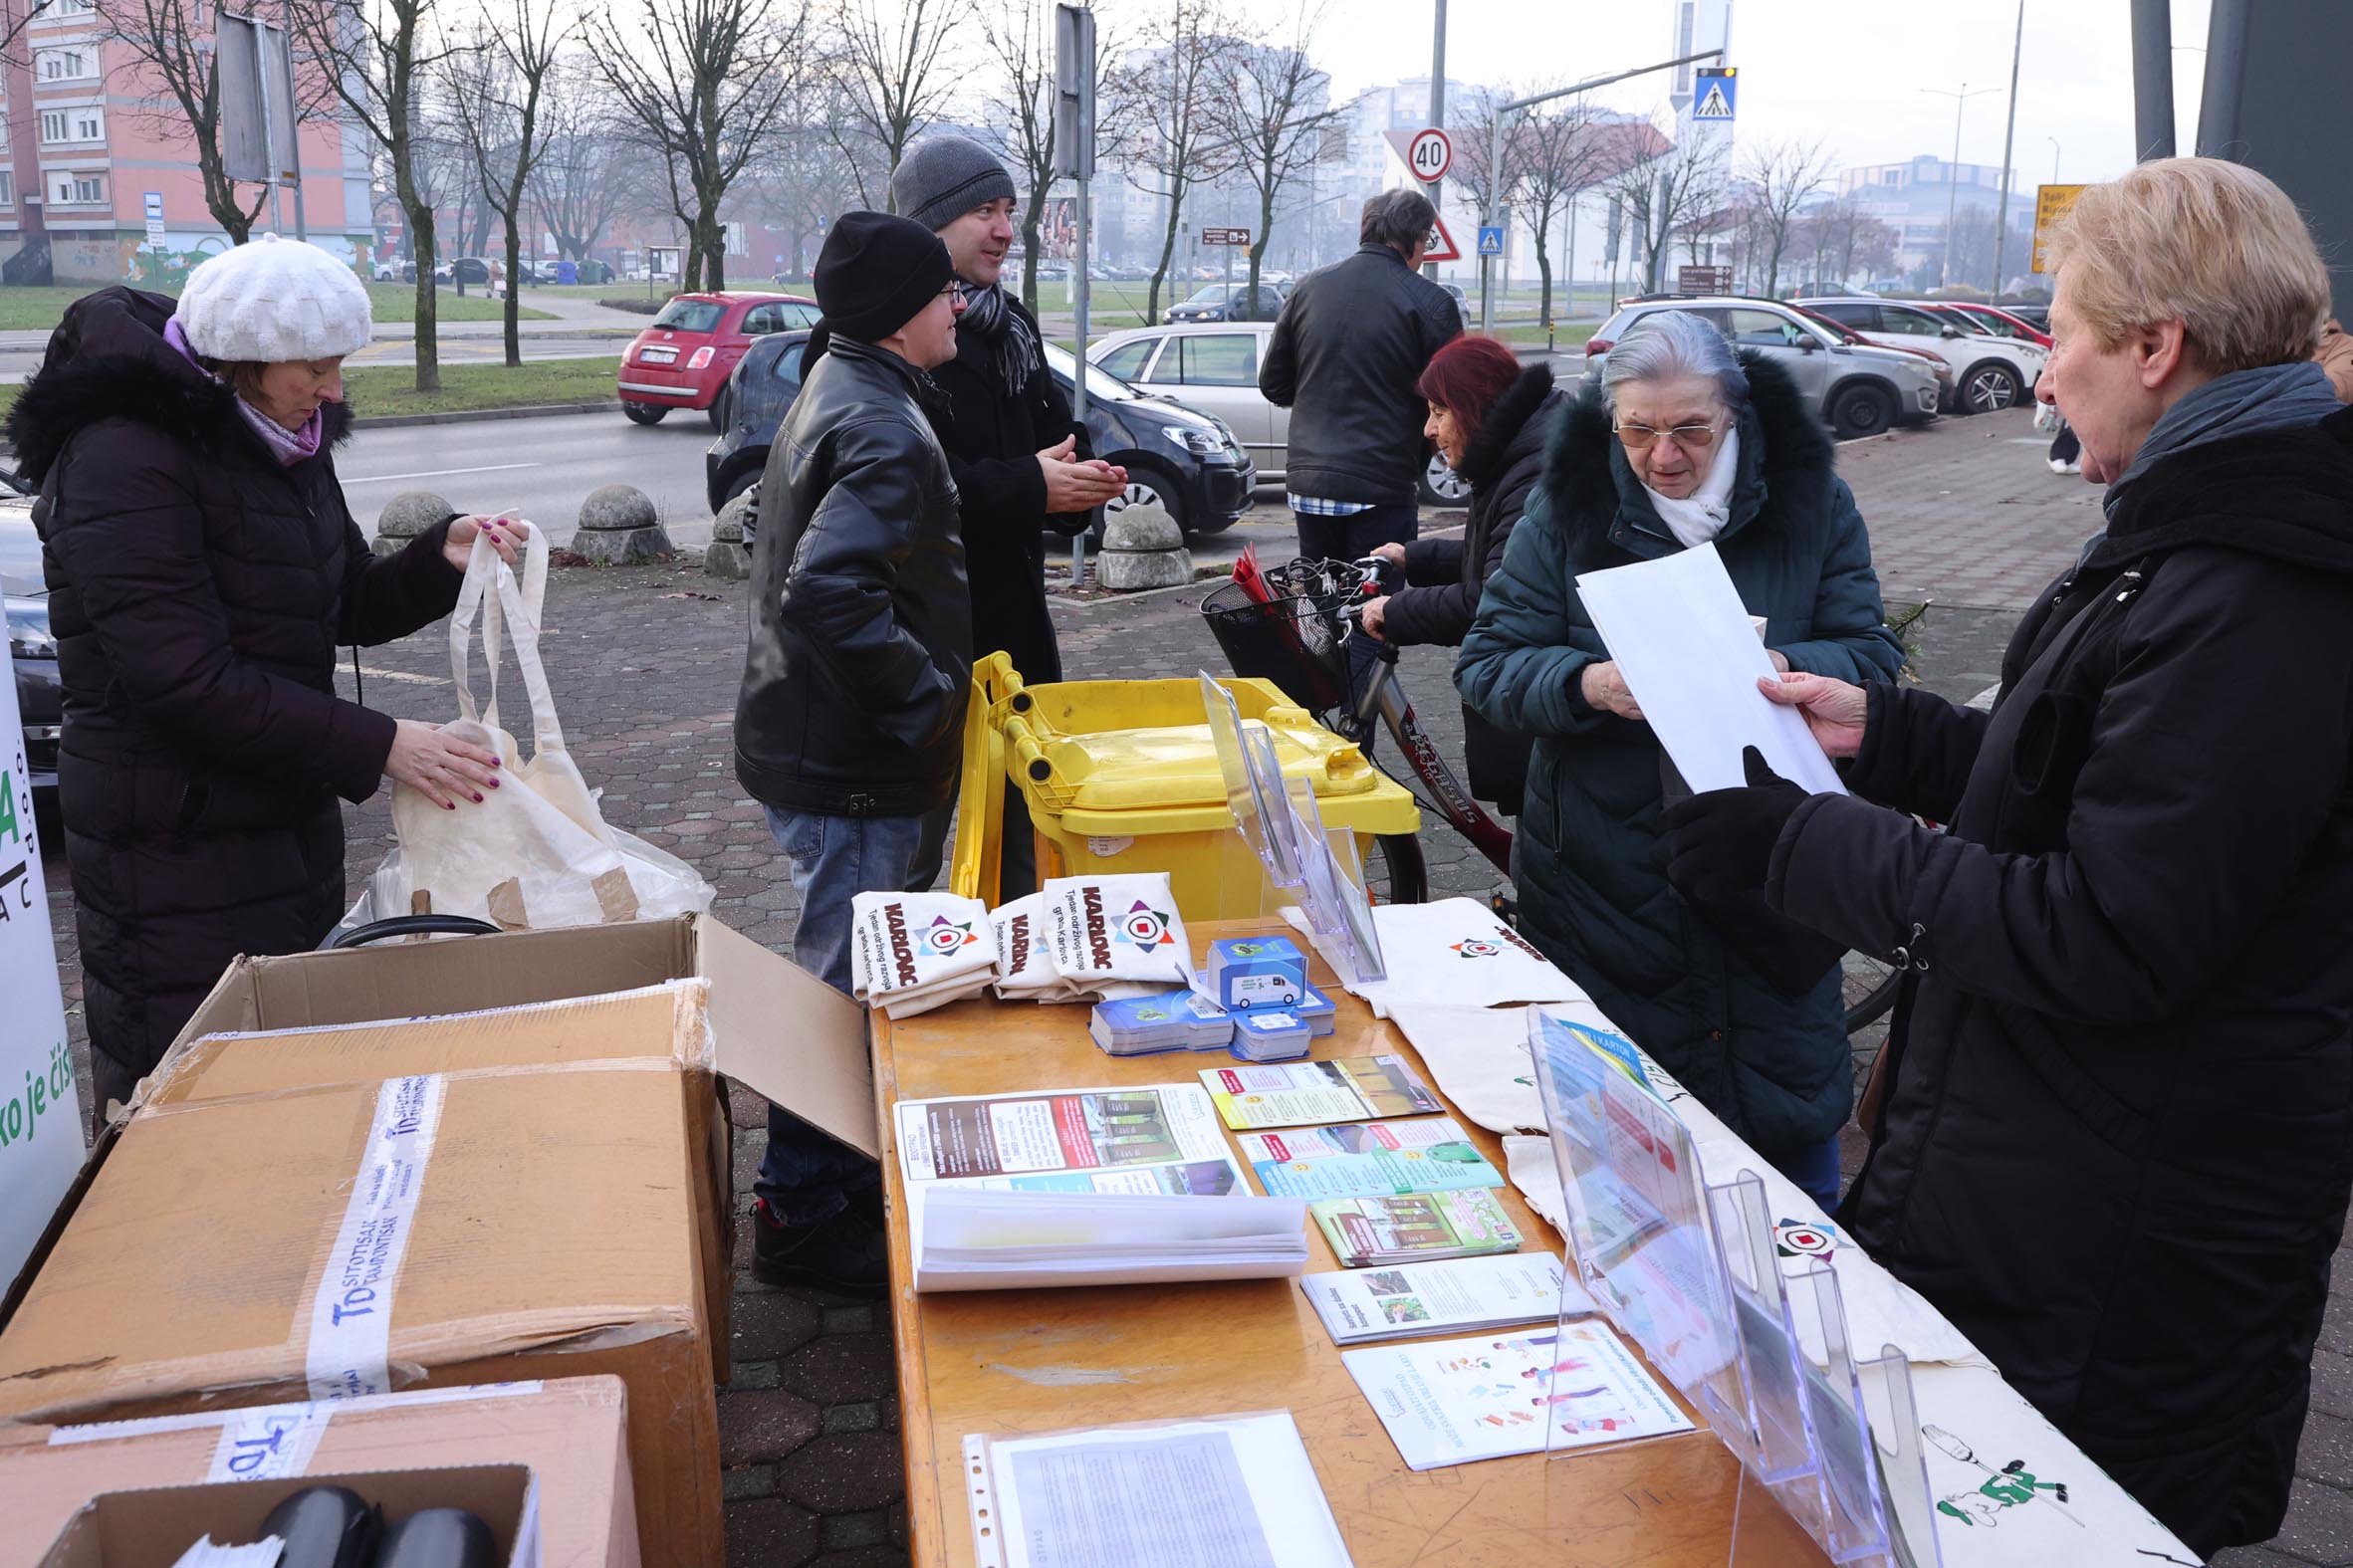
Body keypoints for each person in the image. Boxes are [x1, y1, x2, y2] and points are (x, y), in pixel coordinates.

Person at [1657, 158, 2353, 1557]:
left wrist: (1803, 842)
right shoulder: (2197, 536)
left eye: (2062, 332)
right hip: (2062, 1188)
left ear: (2154, 347)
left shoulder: (2255, 580)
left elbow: (2108, 928)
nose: (2041, 372)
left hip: (2117, 1239)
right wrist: (1891, 736)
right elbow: (2093, 782)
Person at [3, 238, 522, 1128]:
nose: (334, 390)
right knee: (192, 1102)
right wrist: (381, 744)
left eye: (340, 365)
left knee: (290, 1090)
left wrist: (438, 557)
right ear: (239, 361)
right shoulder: (124, 457)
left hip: (281, 825)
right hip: (169, 847)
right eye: (314, 369)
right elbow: (183, 677)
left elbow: (339, 599)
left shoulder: (284, 437)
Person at [1456, 313, 1904, 1209]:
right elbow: (1489, 663)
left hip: (1768, 874)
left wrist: (1785, 666)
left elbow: (1872, 656)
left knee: (1786, 1161)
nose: (1662, 456)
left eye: (1691, 429)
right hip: (1603, 889)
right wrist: (1588, 683)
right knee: (1618, 1171)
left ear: (1734, 413)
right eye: (1638, 431)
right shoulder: (1566, 507)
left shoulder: (1811, 504)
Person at [733, 211, 968, 1294]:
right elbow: (826, 588)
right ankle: (799, 1208)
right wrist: (928, 702)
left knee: (844, 965)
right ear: (897, 313)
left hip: (823, 744)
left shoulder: (846, 385)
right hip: (853, 765)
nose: (957, 304)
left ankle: (828, 1181)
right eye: (941, 290)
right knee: (845, 983)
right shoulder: (880, 422)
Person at [887, 135, 1125, 898]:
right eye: (983, 212)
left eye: (1008, 211)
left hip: (1014, 639)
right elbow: (916, 489)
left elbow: (1048, 433)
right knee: (910, 856)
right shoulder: (892, 333)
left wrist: (1079, 475)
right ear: (930, 226)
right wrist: (1033, 485)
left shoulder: (1009, 325)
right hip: (926, 641)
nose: (1003, 230)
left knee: (1023, 838)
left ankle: (1016, 957)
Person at [1262, 189, 1461, 721]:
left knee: (1321, 620)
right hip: (1381, 487)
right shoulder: (1430, 303)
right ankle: (1353, 743)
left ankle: (1317, 731)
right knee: (1373, 619)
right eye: (1427, 240)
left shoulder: (1308, 288)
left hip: (1309, 487)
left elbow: (1274, 383)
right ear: (1415, 239)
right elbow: (1457, 397)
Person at [1359, 335, 1561, 818]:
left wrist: (1395, 611)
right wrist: (1415, 557)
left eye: (1439, 412)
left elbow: (1492, 600)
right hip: (1531, 692)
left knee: (1541, 833)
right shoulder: (1515, 451)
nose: (1428, 429)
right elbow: (1505, 559)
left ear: (1475, 408)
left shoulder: (1530, 474)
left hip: (1535, 699)